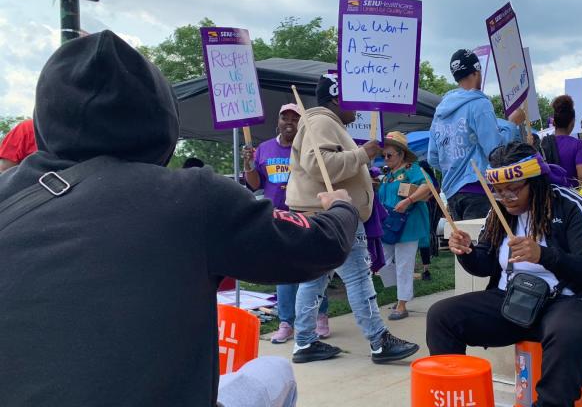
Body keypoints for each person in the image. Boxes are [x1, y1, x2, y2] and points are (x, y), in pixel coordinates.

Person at [0, 31, 360, 407]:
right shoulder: (191, 197)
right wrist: (341, 207)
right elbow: (318, 246)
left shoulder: (8, 193)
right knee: (275, 371)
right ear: (160, 113)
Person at [426, 142, 582, 407]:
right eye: (499, 191)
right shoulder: (498, 211)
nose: (506, 198)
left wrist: (543, 255)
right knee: (442, 316)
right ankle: (455, 397)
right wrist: (466, 252)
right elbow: (484, 265)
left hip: (570, 302)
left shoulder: (572, 206)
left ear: (536, 182)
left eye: (514, 190)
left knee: (568, 330)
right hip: (513, 302)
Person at [286, 74, 419, 364]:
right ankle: (379, 340)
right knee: (358, 275)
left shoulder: (324, 123)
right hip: (334, 215)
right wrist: (362, 154)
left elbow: (325, 167)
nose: (358, 108)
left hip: (323, 214)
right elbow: (318, 166)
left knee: (315, 279)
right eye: (353, 100)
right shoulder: (322, 122)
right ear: (336, 97)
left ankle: (304, 342)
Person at [240, 103, 332, 344]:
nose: (289, 121)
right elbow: (254, 183)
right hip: (276, 219)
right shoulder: (264, 148)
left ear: (302, 122)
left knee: (312, 269)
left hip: (307, 215)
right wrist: (249, 164)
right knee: (283, 271)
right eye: (285, 117)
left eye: (295, 117)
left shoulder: (310, 147)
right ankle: (285, 322)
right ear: (278, 121)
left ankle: (320, 315)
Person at [428, 48, 520, 221]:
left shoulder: (440, 113)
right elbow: (495, 151)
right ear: (477, 72)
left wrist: (455, 167)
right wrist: (511, 125)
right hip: (479, 188)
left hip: (452, 191)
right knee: (482, 245)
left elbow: (433, 158)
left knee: (463, 245)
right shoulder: (479, 104)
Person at [377, 131, 431, 320]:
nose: (385, 158)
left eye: (389, 155)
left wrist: (408, 200)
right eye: (383, 155)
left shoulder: (411, 168)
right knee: (380, 261)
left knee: (404, 264)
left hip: (409, 223)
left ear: (401, 154)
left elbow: (427, 187)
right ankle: (402, 292)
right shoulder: (386, 176)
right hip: (389, 224)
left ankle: (402, 303)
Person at [540, 95, 582, 187]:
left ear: (554, 122)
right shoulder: (579, 145)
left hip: (548, 197)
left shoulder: (543, 143)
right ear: (572, 122)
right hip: (571, 198)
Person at [417, 160, 441, 281]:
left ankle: (430, 256)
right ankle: (428, 262)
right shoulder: (427, 178)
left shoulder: (427, 178)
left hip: (429, 207)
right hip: (428, 207)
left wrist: (426, 196)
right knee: (428, 233)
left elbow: (435, 191)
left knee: (428, 233)